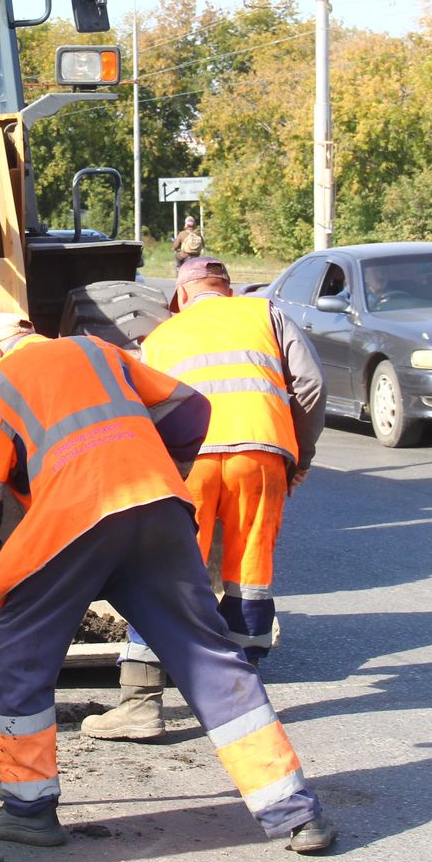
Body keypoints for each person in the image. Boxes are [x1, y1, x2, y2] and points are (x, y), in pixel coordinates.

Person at [0, 313, 337, 854]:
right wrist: (159, 470)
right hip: (159, 510)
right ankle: (294, 811)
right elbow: (193, 410)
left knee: (20, 660)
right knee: (209, 656)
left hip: (70, 527)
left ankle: (28, 809)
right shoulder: (98, 352)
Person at [83, 257, 325, 743]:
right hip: (261, 455)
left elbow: (140, 411)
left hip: (189, 463)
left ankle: (140, 704)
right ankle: (240, 704)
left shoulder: (159, 340)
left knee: (160, 576)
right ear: (228, 290)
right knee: (249, 577)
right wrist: (298, 456)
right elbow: (312, 385)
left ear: (180, 297)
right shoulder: (266, 314)